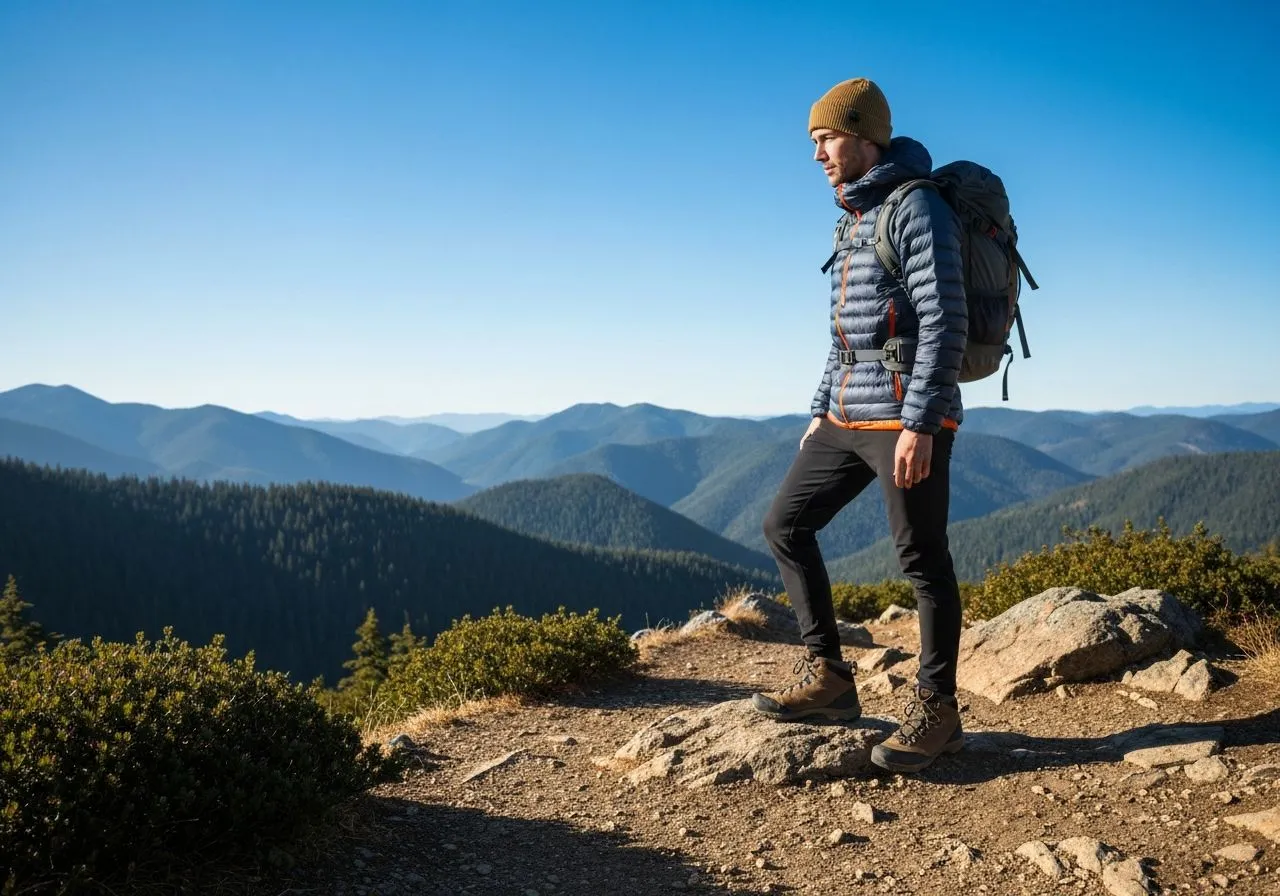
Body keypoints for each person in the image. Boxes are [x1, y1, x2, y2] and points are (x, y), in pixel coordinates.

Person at [750, 77, 968, 774]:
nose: (817, 154)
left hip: (905, 415)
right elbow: (843, 332)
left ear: (865, 136)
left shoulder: (916, 207)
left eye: (826, 139)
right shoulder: (854, 216)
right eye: (813, 142)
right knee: (785, 525)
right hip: (847, 412)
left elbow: (945, 319)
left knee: (922, 561)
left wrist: (922, 422)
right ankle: (830, 678)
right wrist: (821, 406)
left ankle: (938, 711)